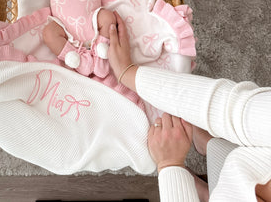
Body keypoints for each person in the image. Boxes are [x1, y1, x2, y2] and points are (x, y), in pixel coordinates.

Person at [108, 13, 271, 201]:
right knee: (231, 129)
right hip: (244, 170)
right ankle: (211, 146)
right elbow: (229, 108)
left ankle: (207, 190)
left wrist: (170, 165)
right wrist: (128, 73)